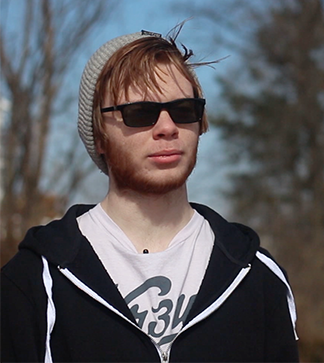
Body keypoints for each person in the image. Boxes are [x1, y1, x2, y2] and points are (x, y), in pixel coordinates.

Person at [0, 28, 299, 362]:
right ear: (100, 136)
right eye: (140, 112)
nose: (167, 127)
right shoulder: (33, 282)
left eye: (184, 109)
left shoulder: (257, 277)